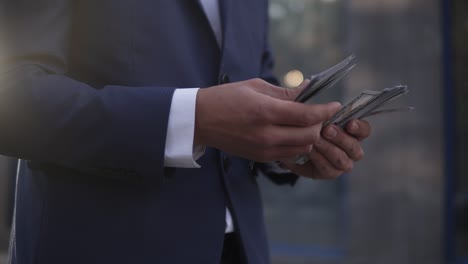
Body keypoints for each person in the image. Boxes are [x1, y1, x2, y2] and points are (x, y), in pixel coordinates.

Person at [0, 1, 371, 263]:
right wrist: (192, 118)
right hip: (102, 247)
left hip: (241, 250)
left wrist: (289, 144)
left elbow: (251, 81)